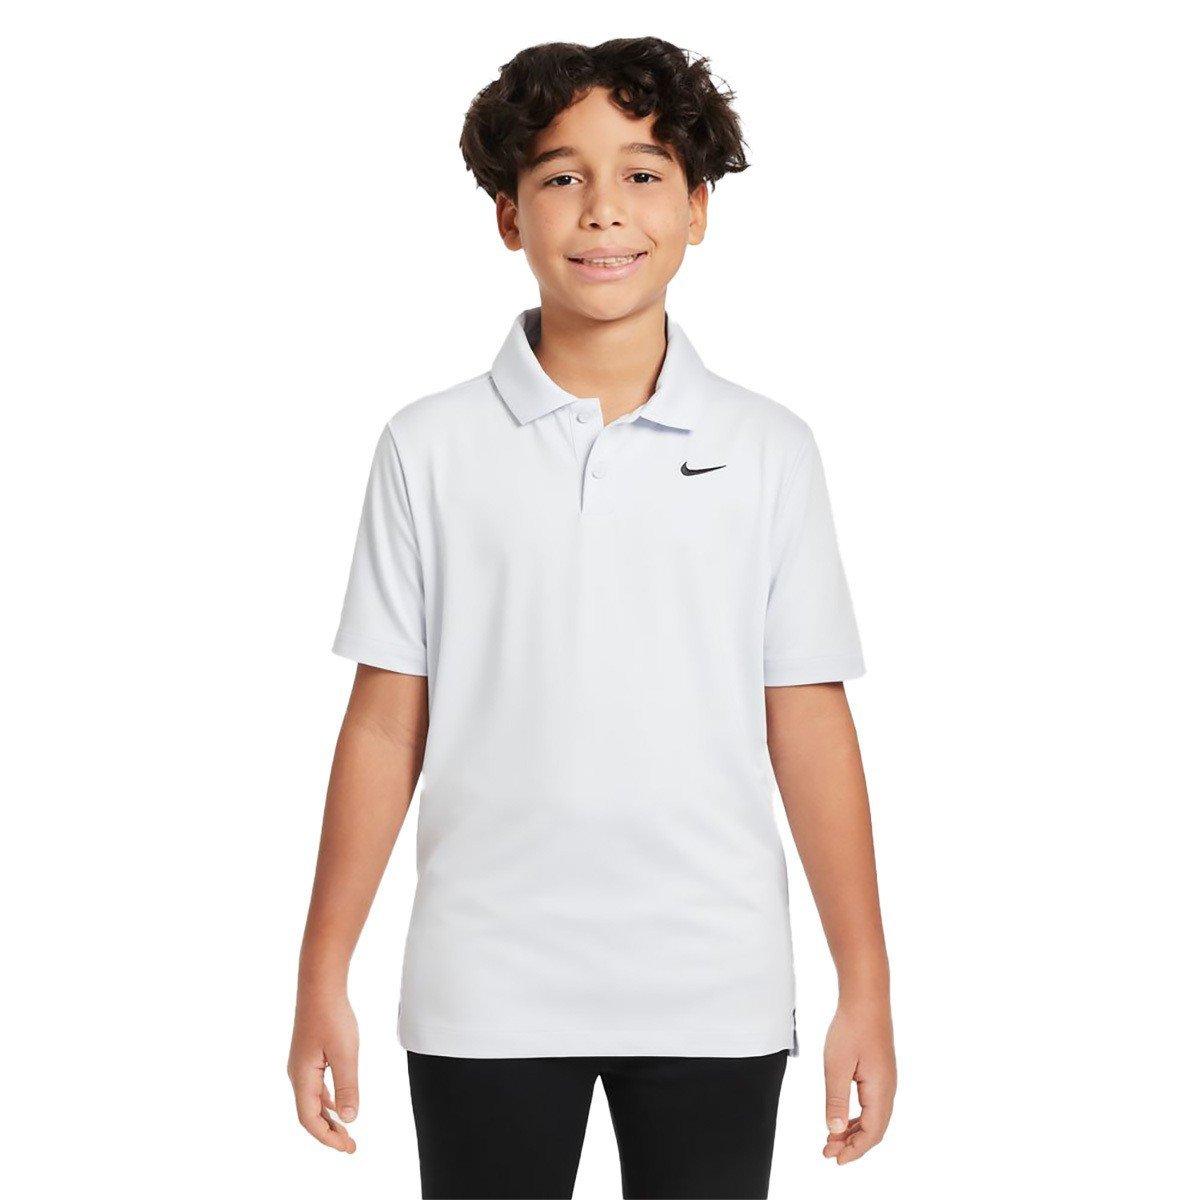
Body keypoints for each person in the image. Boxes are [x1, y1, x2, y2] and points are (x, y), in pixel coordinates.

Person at [287, 36, 896, 1199]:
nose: (604, 209)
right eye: (563, 176)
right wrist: (324, 971)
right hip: (485, 986)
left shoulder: (770, 450)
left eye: (645, 174)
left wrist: (863, 985)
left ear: (699, 209)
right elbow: (384, 724)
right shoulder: (429, 447)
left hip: (712, 984)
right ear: (509, 215)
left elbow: (809, 722)